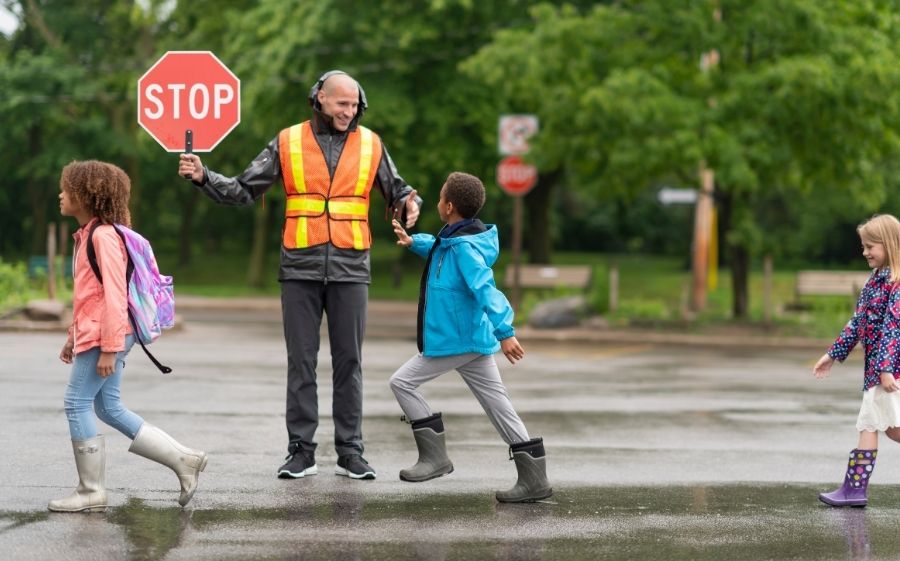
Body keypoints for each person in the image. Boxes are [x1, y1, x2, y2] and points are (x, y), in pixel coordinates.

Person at [178, 70, 421, 480]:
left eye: (354, 105)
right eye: (342, 103)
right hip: (299, 267)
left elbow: (398, 189)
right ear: (320, 98)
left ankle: (351, 453)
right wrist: (204, 177)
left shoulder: (371, 144)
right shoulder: (288, 141)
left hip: (351, 267)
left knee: (349, 362)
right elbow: (243, 189)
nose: (349, 111)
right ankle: (301, 452)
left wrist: (410, 202)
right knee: (301, 363)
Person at [51, 160, 207, 512]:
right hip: (100, 332)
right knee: (109, 408)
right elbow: (89, 297)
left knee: (76, 403)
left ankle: (91, 491)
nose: (60, 195)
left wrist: (109, 347)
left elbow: (115, 295)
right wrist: (73, 335)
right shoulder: (89, 234)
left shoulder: (103, 236)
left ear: (86, 195)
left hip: (108, 335)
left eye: (66, 189)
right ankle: (184, 461)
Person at [388, 171, 552, 502]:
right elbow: (440, 251)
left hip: (457, 340)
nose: (437, 202)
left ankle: (435, 458)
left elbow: (484, 288)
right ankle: (534, 479)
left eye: (440, 198)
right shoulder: (456, 239)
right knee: (498, 404)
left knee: (402, 383)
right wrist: (414, 242)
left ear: (449, 206)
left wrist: (505, 331)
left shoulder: (463, 248)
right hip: (470, 340)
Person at [814, 214, 900, 507]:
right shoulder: (874, 281)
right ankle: (854, 490)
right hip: (876, 371)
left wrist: (886, 368)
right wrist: (832, 354)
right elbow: (857, 323)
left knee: (889, 429)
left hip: (890, 371)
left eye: (870, 246)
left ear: (889, 244)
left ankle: (854, 490)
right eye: (863, 246)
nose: (864, 252)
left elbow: (894, 327)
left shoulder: (896, 283)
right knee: (871, 425)